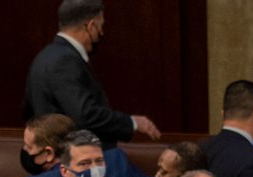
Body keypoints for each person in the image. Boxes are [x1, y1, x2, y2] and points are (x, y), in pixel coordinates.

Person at [22, 0, 160, 146]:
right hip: (74, 159)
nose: (102, 32)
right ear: (91, 25)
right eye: (101, 26)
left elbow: (28, 111)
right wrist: (132, 122)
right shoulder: (65, 60)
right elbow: (84, 115)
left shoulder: (45, 56)